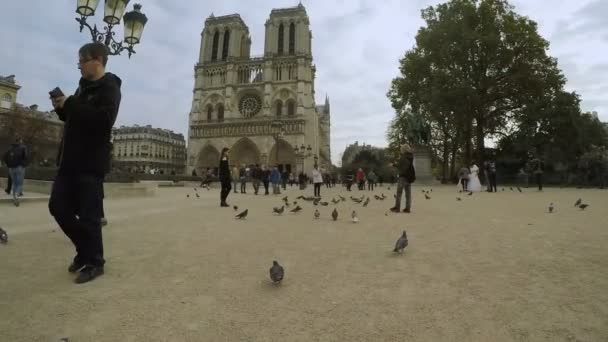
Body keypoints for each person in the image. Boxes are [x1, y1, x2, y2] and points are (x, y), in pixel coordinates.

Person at [49, 42, 121, 284]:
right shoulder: (83, 88)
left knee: (90, 216)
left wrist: (71, 105)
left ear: (97, 60)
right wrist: (63, 109)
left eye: (82, 60)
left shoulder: (109, 86)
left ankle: (94, 262)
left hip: (90, 162)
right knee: (58, 207)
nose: (79, 65)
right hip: (69, 161)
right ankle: (85, 251)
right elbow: (78, 118)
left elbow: (103, 120)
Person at [390, 144, 416, 213]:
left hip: (403, 177)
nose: (400, 150)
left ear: (403, 149)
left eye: (401, 149)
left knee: (399, 193)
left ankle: (397, 208)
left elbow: (400, 166)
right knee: (408, 194)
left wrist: (393, 164)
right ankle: (407, 208)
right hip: (409, 177)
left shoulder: (403, 157)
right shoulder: (411, 156)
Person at [3, 138, 28, 206]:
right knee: (19, 184)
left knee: (14, 183)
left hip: (11, 169)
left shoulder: (10, 149)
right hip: (20, 167)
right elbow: (26, 157)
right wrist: (24, 164)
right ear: (20, 141)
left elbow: (4, 157)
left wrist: (8, 165)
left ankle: (14, 198)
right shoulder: (23, 148)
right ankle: (17, 196)